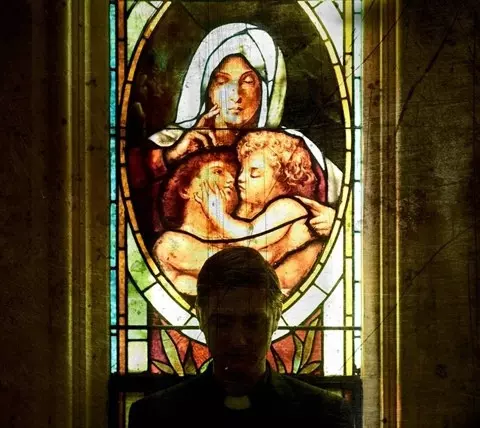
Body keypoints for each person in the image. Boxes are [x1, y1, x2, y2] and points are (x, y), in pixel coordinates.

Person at [141, 23, 342, 238]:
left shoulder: (289, 149)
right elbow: (128, 201)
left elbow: (353, 204)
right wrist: (169, 157)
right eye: (222, 81)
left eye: (247, 81)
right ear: (207, 88)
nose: (235, 95)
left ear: (265, 89)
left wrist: (338, 222)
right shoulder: (170, 145)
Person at [128, 246, 353, 426]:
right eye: (223, 323)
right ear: (200, 316)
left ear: (276, 317)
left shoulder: (326, 415)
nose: (238, 340)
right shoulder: (153, 417)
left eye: (253, 323)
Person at [153, 145, 315, 298]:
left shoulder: (238, 234)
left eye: (233, 174)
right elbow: (238, 271)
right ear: (185, 189)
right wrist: (284, 246)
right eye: (218, 171)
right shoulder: (171, 243)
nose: (233, 180)